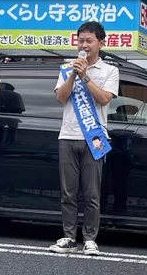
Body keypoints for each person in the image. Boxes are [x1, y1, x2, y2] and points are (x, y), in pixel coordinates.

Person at [49, 21, 119, 255]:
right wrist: (73, 75)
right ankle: (69, 236)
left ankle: (90, 238)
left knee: (91, 192)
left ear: (101, 43)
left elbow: (104, 99)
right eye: (81, 40)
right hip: (68, 135)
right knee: (68, 191)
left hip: (94, 137)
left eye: (89, 41)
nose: (84, 45)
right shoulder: (67, 68)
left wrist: (86, 77)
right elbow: (61, 97)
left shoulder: (110, 71)